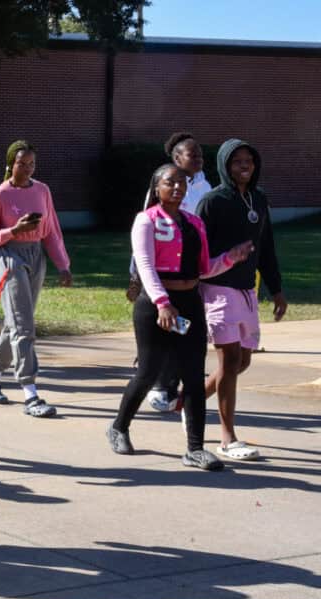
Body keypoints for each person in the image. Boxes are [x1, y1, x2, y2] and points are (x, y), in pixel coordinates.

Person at [107, 163, 253, 471]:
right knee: (148, 372)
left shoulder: (194, 223)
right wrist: (162, 303)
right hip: (155, 306)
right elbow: (145, 267)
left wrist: (230, 257)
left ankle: (195, 449)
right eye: (170, 182)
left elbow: (203, 268)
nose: (177, 187)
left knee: (193, 375)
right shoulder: (145, 221)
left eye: (182, 183)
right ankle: (119, 427)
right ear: (156, 188)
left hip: (189, 303)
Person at [198, 139, 287, 461]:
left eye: (249, 160)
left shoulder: (259, 200)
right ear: (225, 165)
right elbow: (199, 251)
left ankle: (188, 402)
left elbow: (267, 248)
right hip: (218, 288)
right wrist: (226, 259)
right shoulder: (212, 202)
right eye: (237, 161)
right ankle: (227, 439)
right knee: (229, 362)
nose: (244, 165)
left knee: (243, 362)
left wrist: (276, 289)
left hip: (248, 290)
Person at [0, 140, 72, 416]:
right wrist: (13, 231)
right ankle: (30, 392)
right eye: (21, 163)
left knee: (15, 323)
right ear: (10, 164)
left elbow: (51, 229)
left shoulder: (42, 190)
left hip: (35, 256)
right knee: (24, 326)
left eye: (31, 164)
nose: (27, 169)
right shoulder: (0, 195)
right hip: (8, 257)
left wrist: (62, 264)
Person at [140, 132, 212, 412]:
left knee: (188, 333)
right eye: (191, 155)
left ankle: (176, 385)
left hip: (192, 271)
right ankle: (160, 385)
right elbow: (145, 236)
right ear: (176, 158)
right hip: (164, 273)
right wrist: (137, 276)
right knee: (167, 333)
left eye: (200, 155)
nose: (198, 159)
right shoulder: (162, 187)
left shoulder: (204, 185)